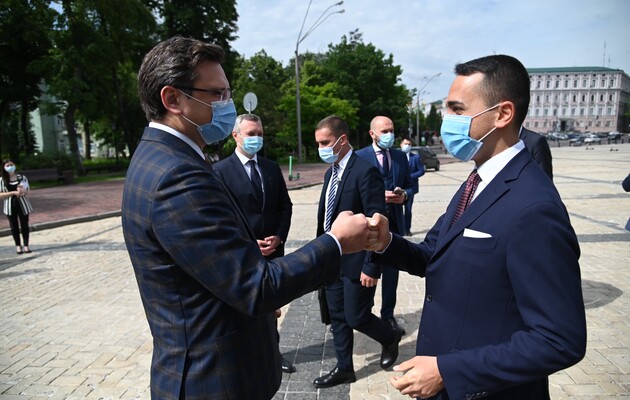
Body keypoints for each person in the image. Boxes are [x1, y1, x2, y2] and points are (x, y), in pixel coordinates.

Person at [121, 36, 374, 400]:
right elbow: (255, 287)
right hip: (213, 381)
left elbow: (214, 273)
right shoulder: (176, 174)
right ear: (173, 99)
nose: (228, 104)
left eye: (228, 93)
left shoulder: (164, 157)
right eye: (217, 94)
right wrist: (335, 242)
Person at [367, 54, 587, 400]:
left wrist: (449, 371)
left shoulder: (535, 206)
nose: (447, 120)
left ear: (503, 114)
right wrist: (384, 242)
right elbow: (434, 253)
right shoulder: (479, 179)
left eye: (457, 110)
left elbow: (559, 340)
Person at [312, 116, 402, 388]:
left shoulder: (365, 171)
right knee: (337, 317)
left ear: (342, 140)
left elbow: (378, 222)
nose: (321, 148)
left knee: (356, 316)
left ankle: (389, 337)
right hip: (332, 260)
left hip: (357, 261)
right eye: (318, 143)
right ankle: (344, 368)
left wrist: (371, 265)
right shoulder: (330, 172)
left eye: (325, 142)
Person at [213, 113, 296, 373]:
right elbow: (221, 215)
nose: (256, 138)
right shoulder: (220, 171)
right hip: (242, 253)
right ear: (235, 136)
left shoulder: (270, 167)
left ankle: (273, 354)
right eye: (251, 134)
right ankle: (245, 358)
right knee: (244, 308)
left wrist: (279, 236)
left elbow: (285, 206)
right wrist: (248, 242)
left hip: (272, 252)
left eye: (259, 134)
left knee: (272, 308)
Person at [356, 116, 413, 335]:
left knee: (391, 272)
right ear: (372, 134)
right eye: (385, 131)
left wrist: (404, 195)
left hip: (394, 224)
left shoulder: (400, 156)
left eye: (392, 130)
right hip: (368, 225)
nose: (390, 135)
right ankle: (362, 313)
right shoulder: (360, 156)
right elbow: (355, 190)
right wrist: (378, 195)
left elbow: (410, 185)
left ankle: (387, 315)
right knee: (367, 269)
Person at [1, 160, 33, 254]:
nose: (10, 167)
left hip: (23, 204)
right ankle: (18, 246)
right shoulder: (2, 180)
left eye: (11, 165)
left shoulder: (22, 177)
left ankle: (26, 245)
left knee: (24, 225)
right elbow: (1, 194)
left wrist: (23, 191)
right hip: (10, 205)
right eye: (7, 165)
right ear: (4, 168)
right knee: (14, 226)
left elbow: (28, 190)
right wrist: (13, 193)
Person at [400, 137, 425, 236]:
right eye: (405, 143)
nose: (407, 146)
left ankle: (407, 229)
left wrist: (410, 177)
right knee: (398, 210)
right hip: (398, 187)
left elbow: (421, 171)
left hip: (410, 187)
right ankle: (400, 228)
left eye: (409, 144)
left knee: (408, 209)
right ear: (401, 145)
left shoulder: (415, 157)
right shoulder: (396, 157)